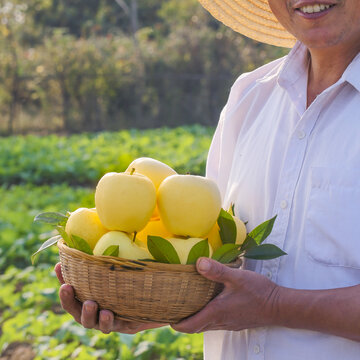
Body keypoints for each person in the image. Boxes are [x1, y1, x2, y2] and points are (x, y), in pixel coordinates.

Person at [55, 0, 360, 358]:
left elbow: (259, 301)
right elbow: (216, 265)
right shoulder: (248, 98)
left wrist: (275, 304)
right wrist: (144, 303)